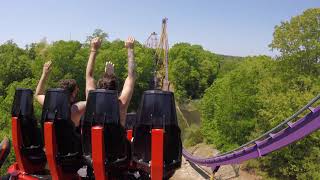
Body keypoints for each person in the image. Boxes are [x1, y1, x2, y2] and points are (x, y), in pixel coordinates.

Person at [86, 37, 136, 127]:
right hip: (116, 141)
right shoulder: (121, 106)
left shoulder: (91, 102)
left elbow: (89, 76)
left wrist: (93, 49)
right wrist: (130, 49)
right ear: (116, 89)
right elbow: (131, 76)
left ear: (99, 87)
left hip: (91, 141)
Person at [35, 61, 86, 127]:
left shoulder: (51, 104)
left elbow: (38, 94)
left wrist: (44, 74)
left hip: (52, 136)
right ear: (73, 93)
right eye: (76, 91)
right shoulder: (77, 108)